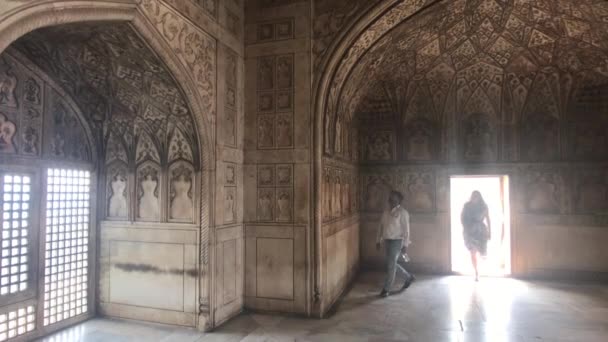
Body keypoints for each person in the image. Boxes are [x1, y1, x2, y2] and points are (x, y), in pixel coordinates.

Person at [376, 190, 415, 297]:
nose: (391, 200)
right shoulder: (386, 212)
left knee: (391, 265)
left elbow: (406, 230)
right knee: (391, 264)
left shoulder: (403, 213)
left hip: (397, 242)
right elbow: (381, 226)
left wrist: (405, 245)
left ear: (399, 200)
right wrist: (378, 240)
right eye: (390, 198)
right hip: (387, 241)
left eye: (393, 198)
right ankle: (408, 277)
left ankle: (386, 289)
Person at [461, 190, 491, 281]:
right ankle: (476, 272)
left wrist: (490, 232)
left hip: (481, 231)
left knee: (481, 252)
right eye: (473, 196)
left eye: (477, 196)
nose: (475, 198)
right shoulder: (467, 206)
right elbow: (462, 218)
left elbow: (488, 219)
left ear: (479, 197)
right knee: (472, 251)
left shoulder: (484, 206)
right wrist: (466, 228)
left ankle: (480, 270)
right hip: (470, 231)